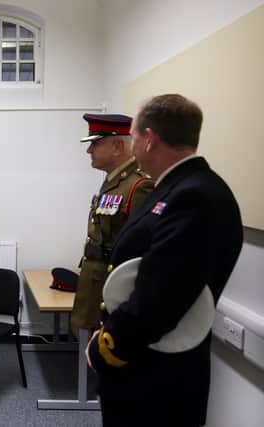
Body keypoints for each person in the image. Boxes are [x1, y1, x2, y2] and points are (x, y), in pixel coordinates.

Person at [86, 94, 243, 427]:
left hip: (156, 376)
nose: (132, 144)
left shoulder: (194, 196)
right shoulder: (173, 188)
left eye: (134, 135)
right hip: (144, 365)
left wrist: (105, 346)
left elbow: (159, 296)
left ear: (149, 138)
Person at [71, 113, 154, 338]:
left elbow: (140, 250)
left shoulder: (139, 186)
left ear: (117, 146)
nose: (89, 151)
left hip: (113, 288)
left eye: (95, 144)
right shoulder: (113, 182)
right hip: (96, 282)